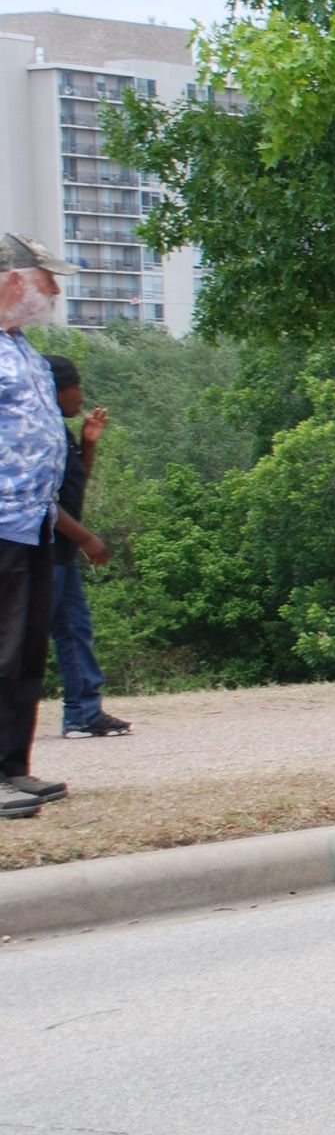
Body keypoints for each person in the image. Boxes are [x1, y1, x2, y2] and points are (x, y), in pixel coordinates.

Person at [0, 236, 73, 818]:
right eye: (47, 281)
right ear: (12, 280)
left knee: (25, 650)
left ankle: (11, 767)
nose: (54, 293)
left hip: (33, 521)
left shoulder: (21, 347)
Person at [45, 356, 129, 738]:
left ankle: (83, 714)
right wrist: (86, 538)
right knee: (22, 637)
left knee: (74, 630)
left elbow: (73, 486)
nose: (80, 395)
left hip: (59, 554)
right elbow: (42, 502)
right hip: (38, 552)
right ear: (57, 390)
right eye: (76, 386)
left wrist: (89, 443)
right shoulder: (41, 434)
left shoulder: (60, 432)